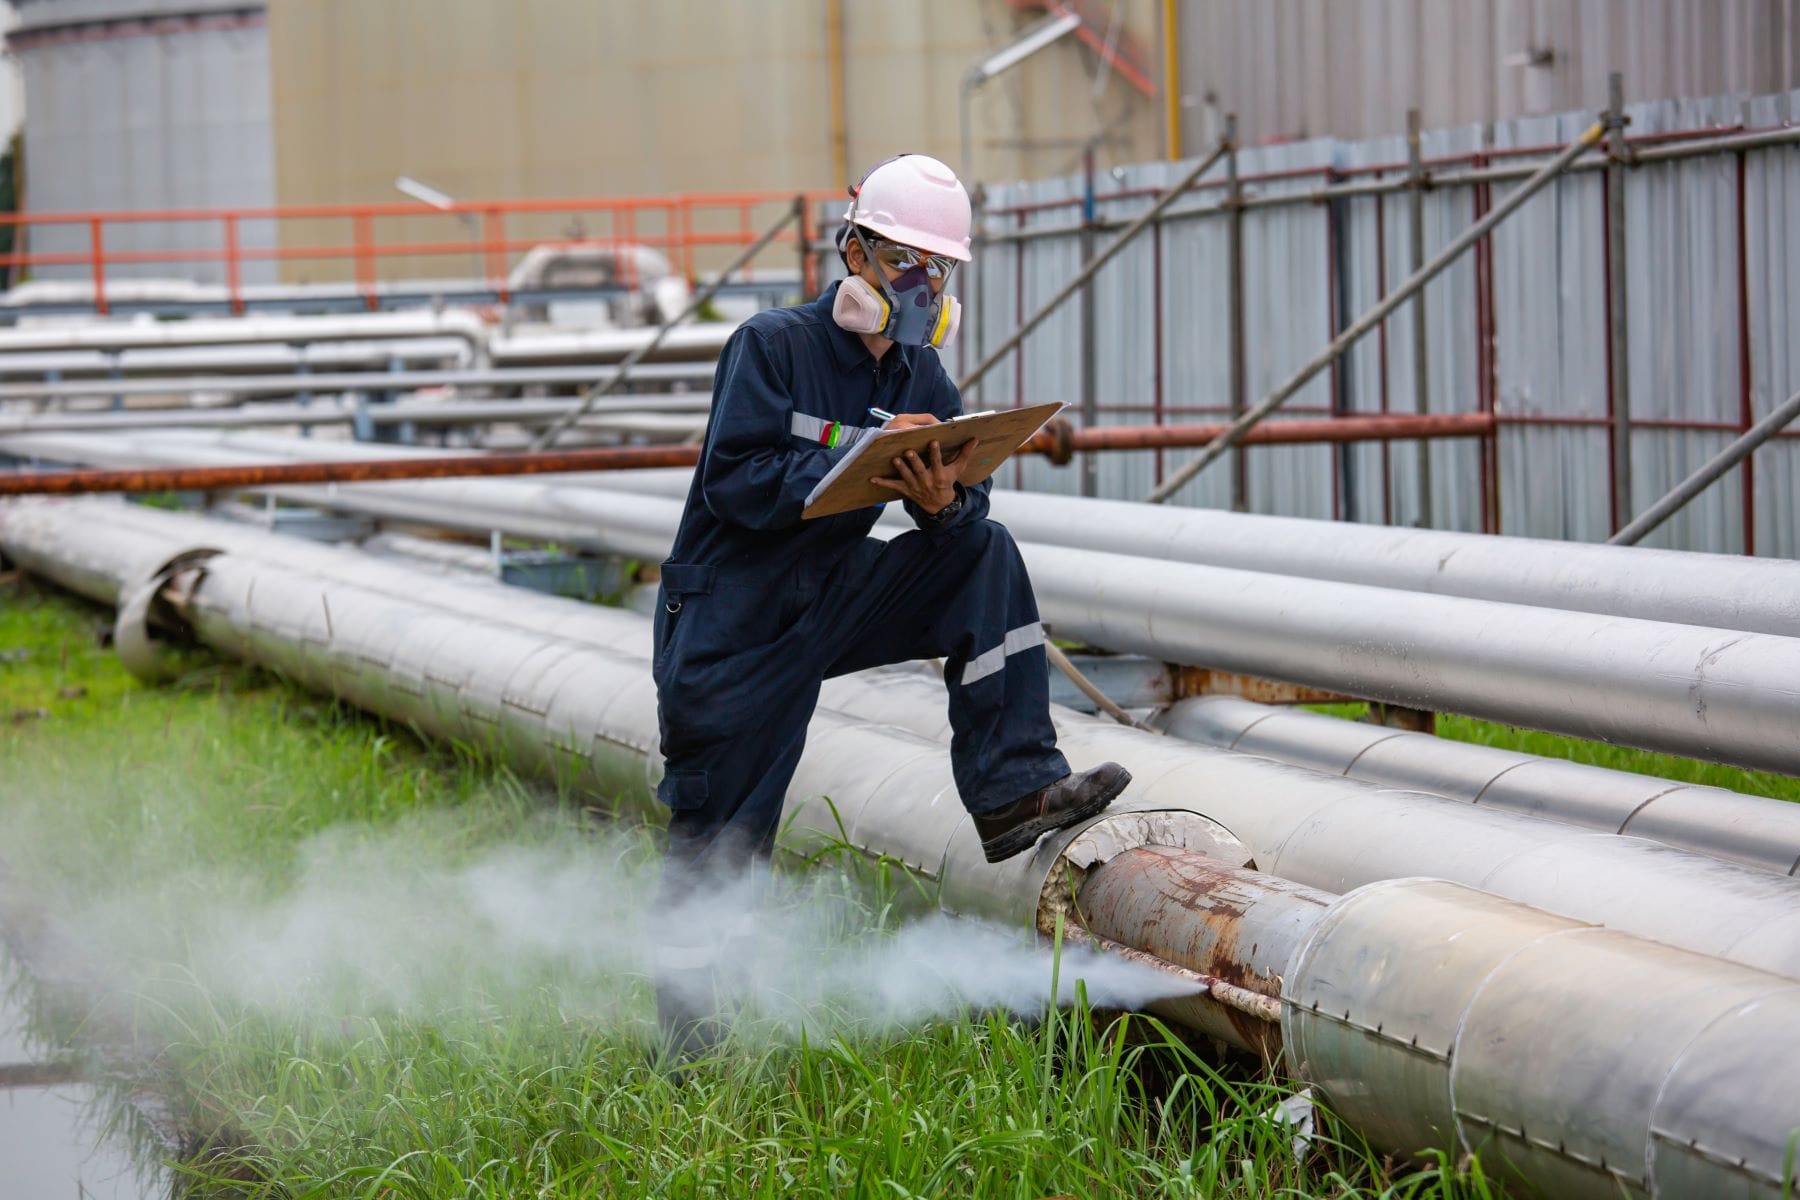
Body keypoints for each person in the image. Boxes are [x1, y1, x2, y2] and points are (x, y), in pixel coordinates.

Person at [649, 153, 1130, 1047]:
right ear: (855, 254)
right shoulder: (772, 347)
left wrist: (946, 503)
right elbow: (735, 482)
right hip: (734, 621)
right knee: (723, 837)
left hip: (830, 598)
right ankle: (688, 1051)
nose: (921, 282)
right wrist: (865, 448)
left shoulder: (921, 378)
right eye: (904, 259)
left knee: (981, 552)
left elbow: (962, 504)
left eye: (936, 267)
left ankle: (1012, 790)